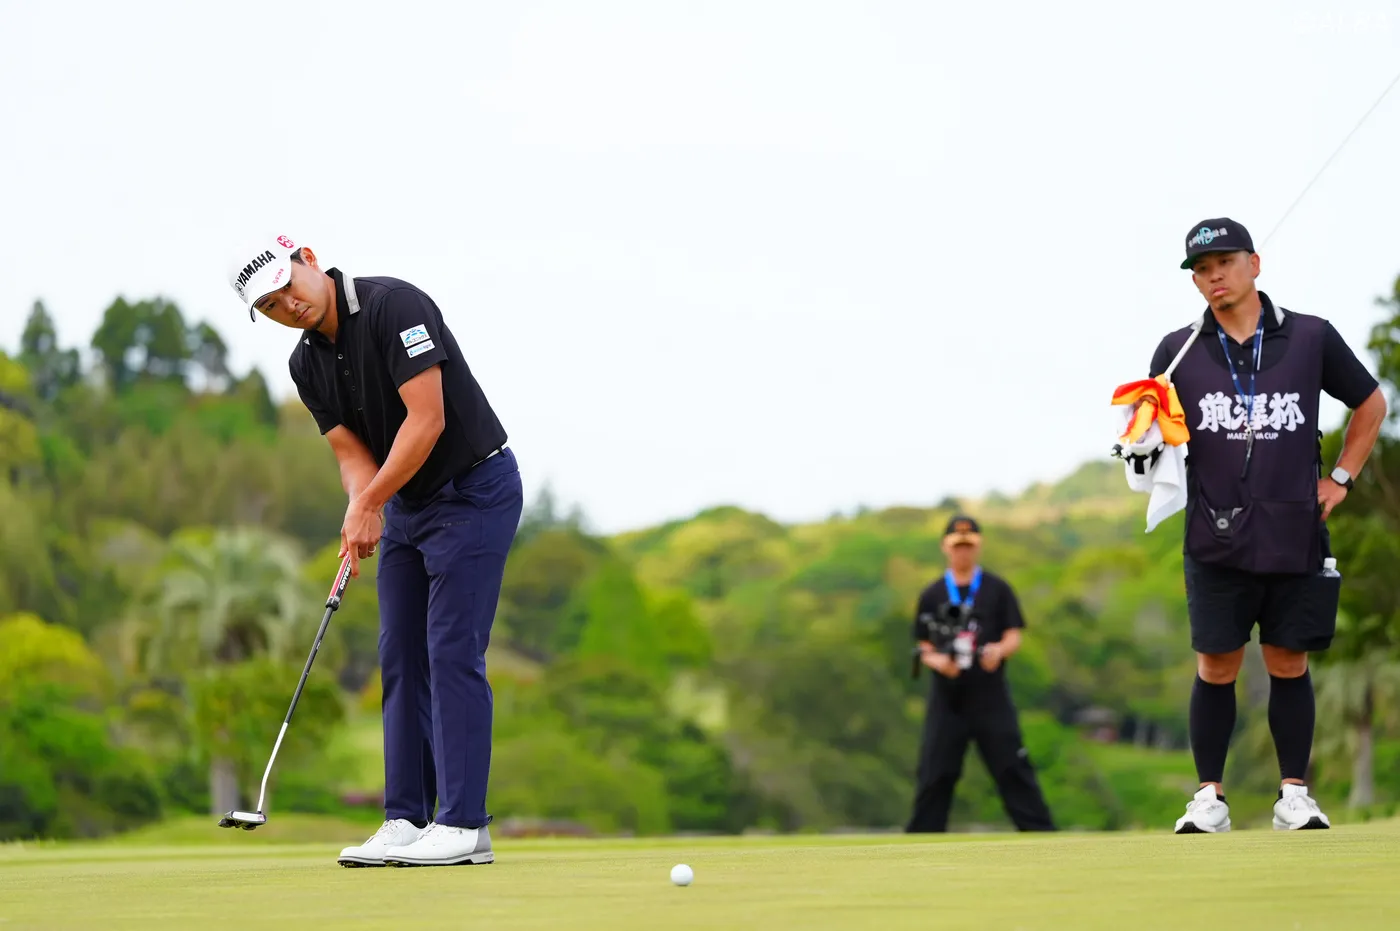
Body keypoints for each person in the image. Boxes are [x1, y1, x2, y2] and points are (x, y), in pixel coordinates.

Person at [226, 234, 524, 866]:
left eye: (287, 286)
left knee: (451, 650)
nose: (287, 305)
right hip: (409, 505)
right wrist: (359, 506)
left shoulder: (395, 306)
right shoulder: (305, 365)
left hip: (473, 490)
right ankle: (406, 818)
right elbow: (351, 455)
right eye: (270, 306)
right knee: (400, 657)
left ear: (308, 260)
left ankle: (464, 826)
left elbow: (427, 419)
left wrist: (370, 503)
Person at [1140, 218, 1386, 833]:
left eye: (1224, 262)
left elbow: (1371, 401)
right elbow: (1152, 433)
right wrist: (1139, 435)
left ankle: (1293, 796)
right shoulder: (1177, 350)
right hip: (1214, 531)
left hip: (1294, 528)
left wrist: (1342, 478)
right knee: (1216, 666)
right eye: (1201, 269)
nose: (1214, 276)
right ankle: (1208, 798)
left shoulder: (1311, 337)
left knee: (1288, 661)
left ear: (1254, 263)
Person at [905, 515, 1056, 833]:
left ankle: (1041, 833)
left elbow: (1014, 634)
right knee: (936, 772)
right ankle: (922, 838)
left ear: (978, 546)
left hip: (989, 693)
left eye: (969, 546)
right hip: (947, 697)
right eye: (957, 546)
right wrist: (939, 662)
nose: (963, 552)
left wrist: (998, 651)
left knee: (1012, 766)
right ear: (945, 548)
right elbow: (923, 644)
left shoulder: (997, 589)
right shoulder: (932, 594)